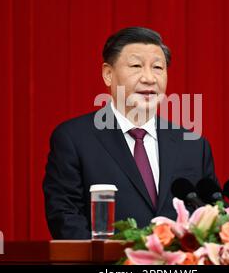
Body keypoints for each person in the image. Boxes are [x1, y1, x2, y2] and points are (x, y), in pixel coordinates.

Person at [43, 26, 219, 239]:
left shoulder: (193, 144)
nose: (149, 78)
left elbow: (210, 216)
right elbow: (65, 217)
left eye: (157, 68)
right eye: (136, 66)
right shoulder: (74, 139)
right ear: (108, 74)